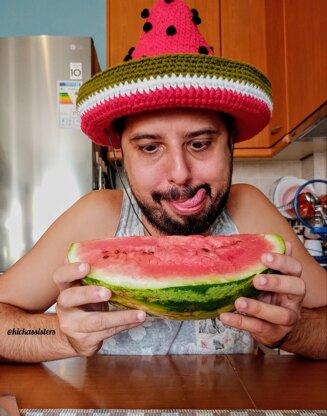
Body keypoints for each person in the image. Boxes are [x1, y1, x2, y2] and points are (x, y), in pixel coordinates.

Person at [0, 0, 326, 362]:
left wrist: (294, 330)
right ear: (121, 152)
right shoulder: (95, 219)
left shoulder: (248, 211)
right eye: (150, 147)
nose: (180, 173)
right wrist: (60, 336)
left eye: (200, 144)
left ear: (230, 142)